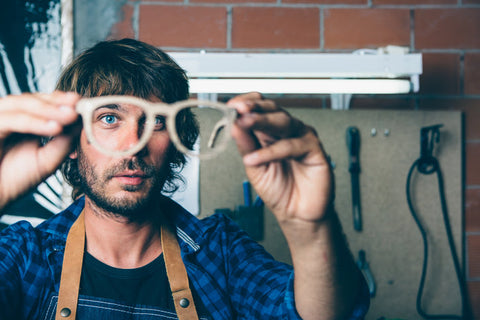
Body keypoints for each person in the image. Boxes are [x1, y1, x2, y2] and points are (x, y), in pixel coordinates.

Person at [0, 38, 369, 320]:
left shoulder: (218, 252)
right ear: (72, 140)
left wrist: (311, 227)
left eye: (156, 121)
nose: (134, 146)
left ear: (176, 141)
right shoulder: (25, 256)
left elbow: (319, 313)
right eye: (110, 118)